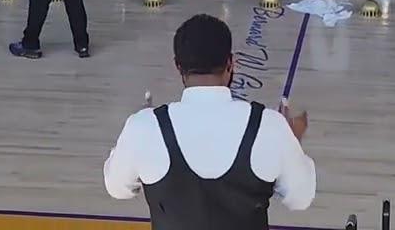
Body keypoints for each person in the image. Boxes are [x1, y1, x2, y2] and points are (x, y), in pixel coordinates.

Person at [103, 13, 316, 226]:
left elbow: (117, 188)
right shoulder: (271, 126)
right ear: (231, 63)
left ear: (178, 66)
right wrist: (290, 140)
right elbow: (300, 199)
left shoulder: (144, 128)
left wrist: (137, 134)